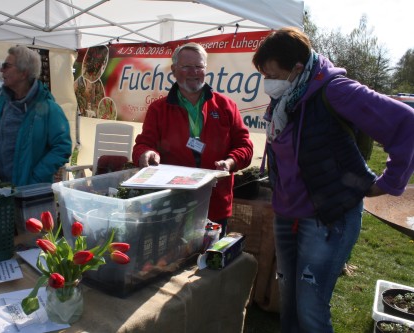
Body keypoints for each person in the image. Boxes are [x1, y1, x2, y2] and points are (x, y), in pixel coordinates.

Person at [251, 27, 414, 332]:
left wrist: (389, 183)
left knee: (310, 308)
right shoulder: (289, 95)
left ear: (297, 69)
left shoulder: (335, 89)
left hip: (327, 217)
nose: (267, 82)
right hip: (287, 213)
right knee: (288, 302)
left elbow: (406, 124)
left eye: (272, 74)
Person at [132, 42, 253, 238]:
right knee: (172, 261)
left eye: (199, 67)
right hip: (172, 203)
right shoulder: (158, 109)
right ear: (173, 70)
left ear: (206, 69)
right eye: (186, 67)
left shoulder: (226, 106)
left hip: (215, 203)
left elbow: (245, 146)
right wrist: (146, 153)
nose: (193, 72)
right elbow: (143, 145)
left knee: (209, 261)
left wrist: (229, 162)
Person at [0, 45, 72, 186]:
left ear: (24, 73)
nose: (1, 70)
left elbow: (62, 147)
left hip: (30, 193)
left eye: (6, 66)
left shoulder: (48, 109)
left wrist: (36, 177)